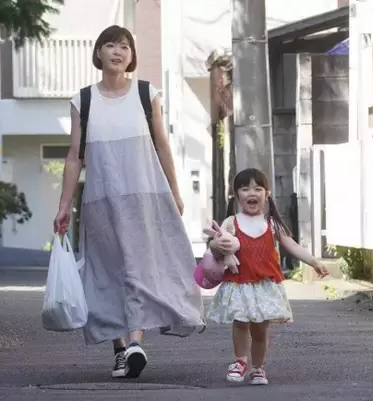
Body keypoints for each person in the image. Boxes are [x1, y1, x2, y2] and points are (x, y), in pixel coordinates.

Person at [53, 25, 205, 379]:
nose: (118, 52)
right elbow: (74, 157)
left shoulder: (146, 94)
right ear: (99, 53)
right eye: (110, 45)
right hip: (101, 201)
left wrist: (175, 191)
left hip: (144, 199)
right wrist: (63, 205)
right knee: (108, 272)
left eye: (124, 46)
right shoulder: (83, 101)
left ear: (132, 55)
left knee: (140, 269)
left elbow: (162, 145)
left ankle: (135, 343)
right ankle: (120, 349)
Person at [205, 168, 329, 385]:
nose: (252, 193)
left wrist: (314, 262)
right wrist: (218, 246)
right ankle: (240, 361)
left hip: (265, 285)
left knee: (260, 329)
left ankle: (258, 367)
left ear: (267, 194)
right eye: (245, 189)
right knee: (240, 322)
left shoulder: (272, 224)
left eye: (258, 188)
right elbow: (217, 246)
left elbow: (292, 246)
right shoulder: (231, 222)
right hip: (239, 284)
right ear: (236, 195)